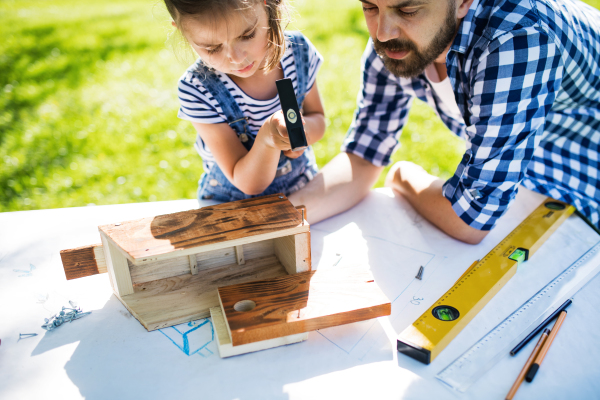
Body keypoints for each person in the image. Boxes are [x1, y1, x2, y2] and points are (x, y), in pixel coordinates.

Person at [291, 0, 600, 243]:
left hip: (583, 160)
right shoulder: (397, 43)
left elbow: (470, 220)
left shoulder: (516, 39)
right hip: (531, 149)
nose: (382, 33)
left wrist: (403, 175)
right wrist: (281, 217)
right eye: (370, 7)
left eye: (408, 9)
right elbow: (363, 156)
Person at [165, 0, 325, 202]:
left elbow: (317, 118)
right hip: (233, 206)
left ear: (269, 6)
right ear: (183, 33)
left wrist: (299, 135)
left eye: (247, 35)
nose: (236, 57)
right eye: (212, 48)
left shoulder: (297, 53)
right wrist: (268, 139)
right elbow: (248, 183)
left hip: (302, 191)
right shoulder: (198, 89)